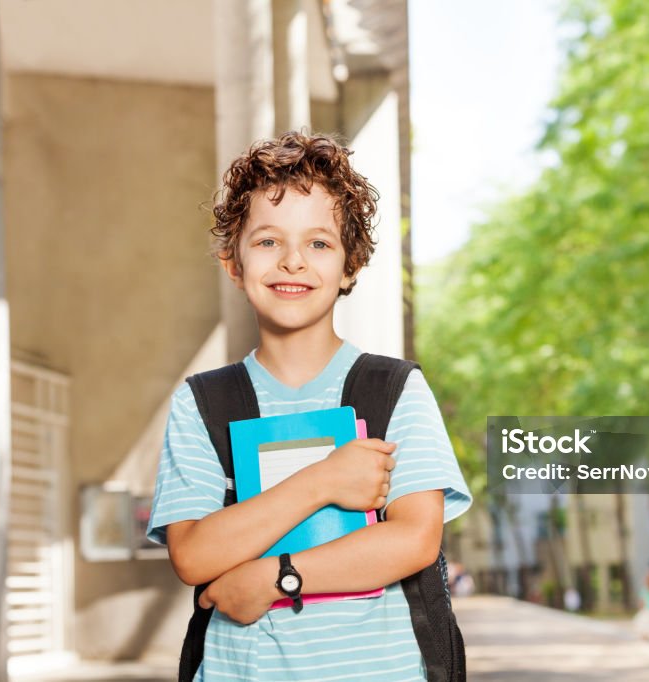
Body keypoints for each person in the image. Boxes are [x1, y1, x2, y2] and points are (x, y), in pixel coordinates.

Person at [146, 131, 473, 681]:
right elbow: (195, 556)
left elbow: (415, 538)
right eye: (267, 241)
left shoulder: (393, 390)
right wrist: (323, 481)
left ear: (350, 266)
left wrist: (277, 577)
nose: (292, 261)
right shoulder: (204, 403)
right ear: (233, 261)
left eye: (319, 244)